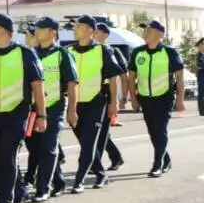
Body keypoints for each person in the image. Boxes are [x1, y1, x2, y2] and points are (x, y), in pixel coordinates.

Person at [0, 14, 46, 203]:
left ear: (2, 31)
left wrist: (42, 115)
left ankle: (5, 200)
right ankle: (18, 191)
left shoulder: (25, 53)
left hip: (16, 113)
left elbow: (37, 86)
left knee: (7, 155)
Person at [67, 15, 123, 193]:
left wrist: (114, 103)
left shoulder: (102, 51)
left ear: (91, 30)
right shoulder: (69, 52)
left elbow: (113, 77)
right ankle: (100, 173)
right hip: (75, 104)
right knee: (85, 143)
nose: (75, 29)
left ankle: (79, 180)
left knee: (89, 143)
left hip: (95, 103)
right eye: (74, 26)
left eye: (79, 26)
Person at [128, 19, 186, 177]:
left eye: (149, 30)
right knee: (153, 131)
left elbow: (180, 78)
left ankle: (157, 164)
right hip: (145, 97)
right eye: (144, 30)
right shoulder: (137, 52)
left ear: (160, 34)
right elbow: (131, 77)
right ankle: (165, 159)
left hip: (164, 96)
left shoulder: (170, 52)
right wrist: (133, 99)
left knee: (160, 130)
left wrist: (180, 99)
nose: (145, 32)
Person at [30, 16, 79, 201]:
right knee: (38, 148)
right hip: (33, 109)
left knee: (49, 147)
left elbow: (72, 84)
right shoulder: (31, 53)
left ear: (53, 32)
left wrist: (72, 110)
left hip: (55, 106)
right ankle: (58, 182)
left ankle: (43, 188)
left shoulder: (63, 54)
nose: (37, 32)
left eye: (41, 28)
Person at [92, 21, 126, 171]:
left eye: (97, 31)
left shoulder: (113, 51)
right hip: (91, 93)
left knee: (101, 130)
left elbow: (122, 75)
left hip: (105, 92)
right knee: (97, 130)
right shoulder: (90, 51)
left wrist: (120, 98)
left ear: (105, 34)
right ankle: (115, 157)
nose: (94, 33)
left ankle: (96, 162)